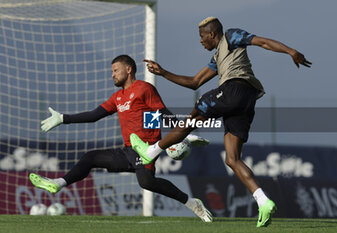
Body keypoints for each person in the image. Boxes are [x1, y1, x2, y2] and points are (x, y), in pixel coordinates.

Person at [130, 17, 312, 227]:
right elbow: (195, 82)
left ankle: (151, 151)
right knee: (232, 159)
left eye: (201, 36)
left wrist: (291, 51)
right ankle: (263, 201)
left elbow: (262, 42)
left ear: (212, 34)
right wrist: (163, 73)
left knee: (192, 118)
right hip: (246, 102)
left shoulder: (231, 36)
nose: (200, 41)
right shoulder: (218, 58)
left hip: (234, 90)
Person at [29, 55, 212, 222]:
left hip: (146, 149)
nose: (112, 75)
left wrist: (183, 135)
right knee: (91, 157)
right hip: (127, 151)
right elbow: (94, 115)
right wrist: (63, 118)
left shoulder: (144, 88)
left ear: (129, 69)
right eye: (112, 72)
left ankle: (192, 203)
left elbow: (163, 114)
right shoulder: (117, 97)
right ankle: (58, 183)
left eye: (115, 70)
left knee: (146, 182)